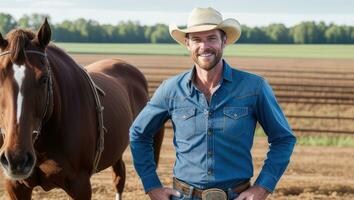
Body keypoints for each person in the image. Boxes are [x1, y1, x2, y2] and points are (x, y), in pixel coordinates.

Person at [129, 7, 296, 200]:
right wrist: (151, 185)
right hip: (184, 196)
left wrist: (262, 187)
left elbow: (283, 139)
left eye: (211, 38)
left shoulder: (254, 87)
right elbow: (138, 134)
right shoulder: (171, 89)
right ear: (187, 43)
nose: (204, 46)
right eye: (197, 40)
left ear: (224, 41)